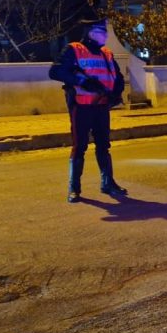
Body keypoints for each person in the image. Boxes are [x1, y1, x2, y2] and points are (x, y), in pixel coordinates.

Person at [49, 18, 128, 203]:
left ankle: (108, 183)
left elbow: (117, 76)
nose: (106, 35)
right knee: (80, 147)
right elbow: (55, 72)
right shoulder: (74, 49)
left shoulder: (107, 54)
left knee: (104, 145)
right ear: (91, 33)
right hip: (81, 106)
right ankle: (74, 188)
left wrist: (116, 92)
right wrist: (83, 81)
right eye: (102, 32)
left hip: (102, 106)